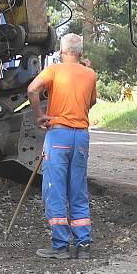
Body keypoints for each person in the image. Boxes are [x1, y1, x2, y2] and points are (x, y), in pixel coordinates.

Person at [27, 33, 97, 260]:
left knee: (54, 189)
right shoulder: (90, 74)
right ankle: (83, 244)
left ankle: (60, 245)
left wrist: (39, 115)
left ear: (61, 52)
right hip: (81, 137)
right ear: (81, 53)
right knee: (78, 189)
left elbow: (32, 89)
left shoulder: (54, 70)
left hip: (58, 135)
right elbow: (92, 101)